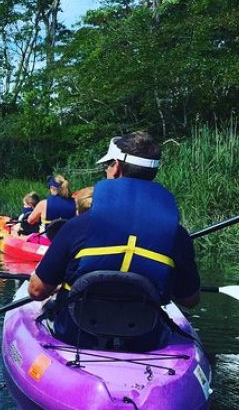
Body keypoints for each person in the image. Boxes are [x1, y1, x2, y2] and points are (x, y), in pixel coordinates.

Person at [28, 132, 201, 349]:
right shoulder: (177, 235)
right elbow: (190, 300)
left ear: (117, 167)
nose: (107, 170)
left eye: (108, 165)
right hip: (144, 340)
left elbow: (36, 291)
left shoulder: (78, 226)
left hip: (76, 336)